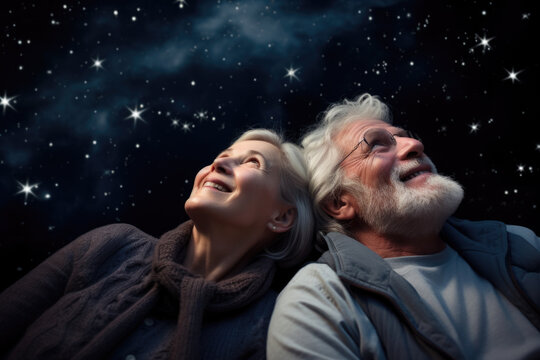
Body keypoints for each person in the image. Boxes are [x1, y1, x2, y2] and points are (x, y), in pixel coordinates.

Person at [0, 129, 314, 360]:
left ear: (282, 217)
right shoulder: (111, 244)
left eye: (253, 163)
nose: (218, 166)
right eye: (222, 157)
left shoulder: (273, 326)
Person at [267, 94, 540, 359]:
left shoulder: (520, 242)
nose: (414, 144)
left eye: (403, 136)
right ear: (340, 202)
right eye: (375, 145)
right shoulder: (319, 298)